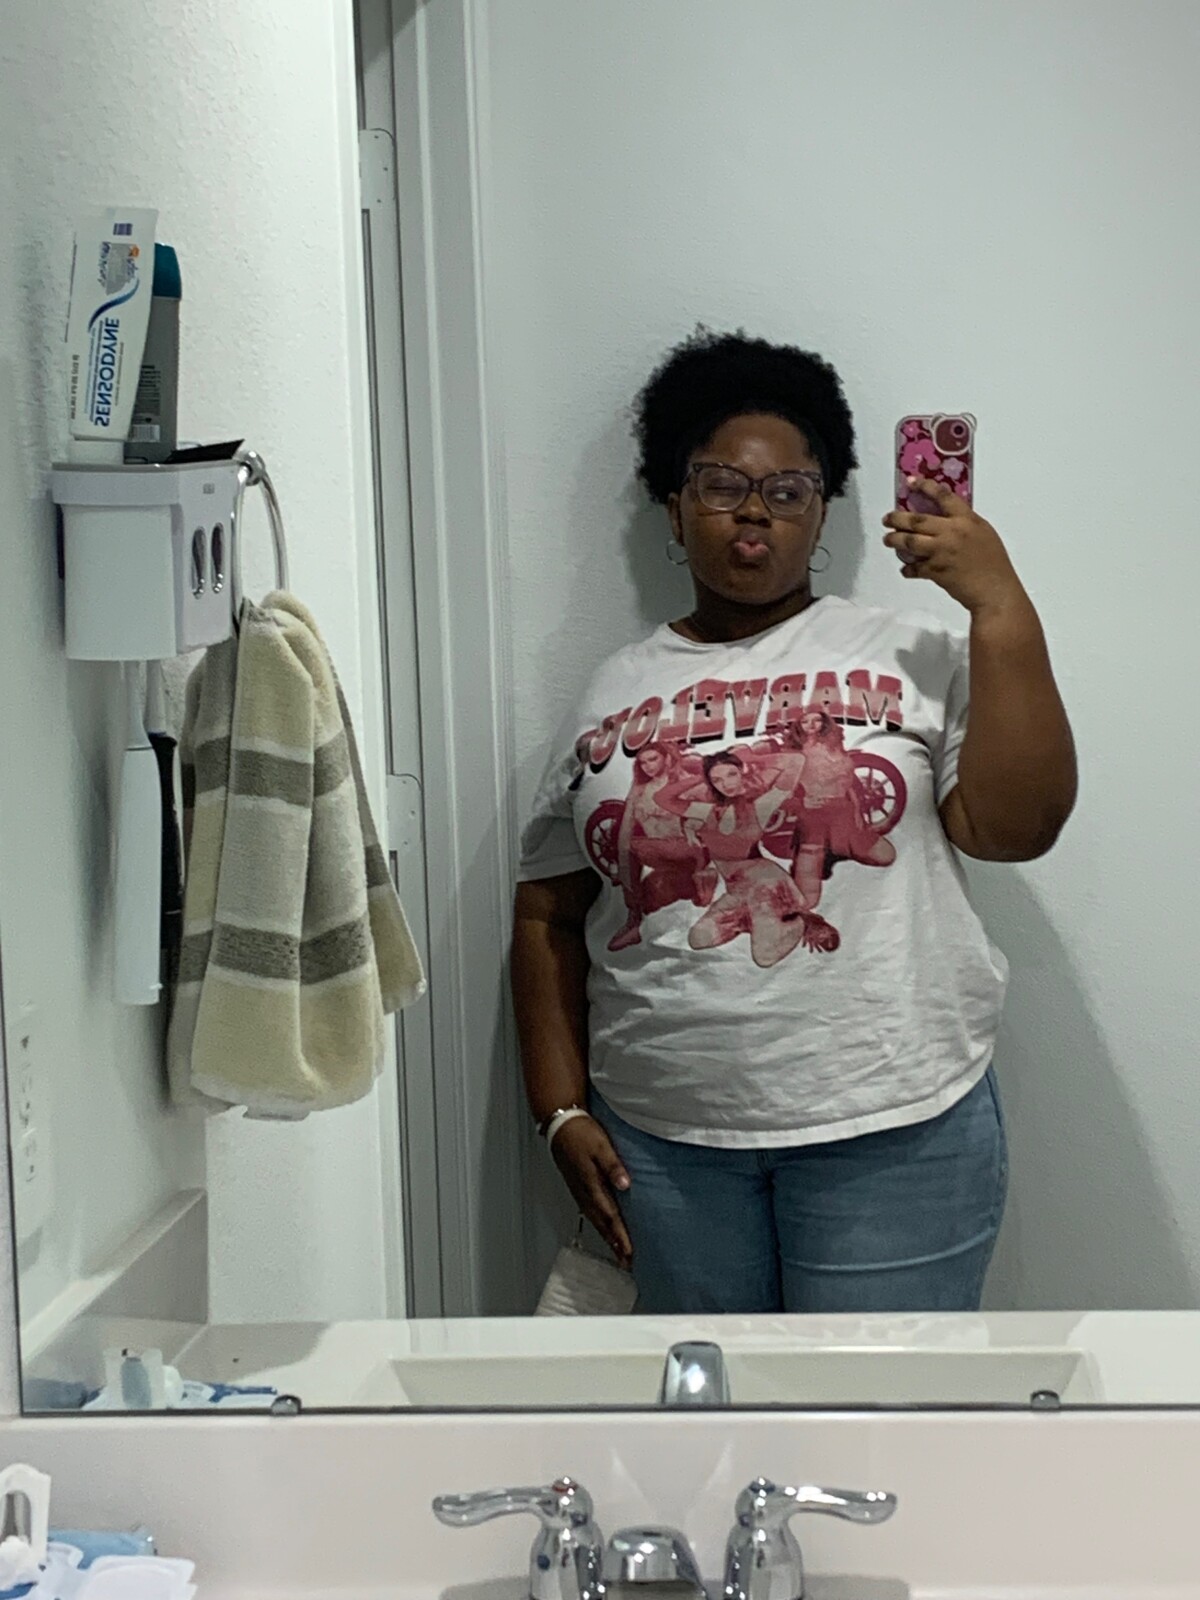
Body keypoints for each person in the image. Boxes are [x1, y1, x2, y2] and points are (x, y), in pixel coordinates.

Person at [512, 328, 1076, 1315]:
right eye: (721, 484)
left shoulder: (911, 651)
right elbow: (547, 914)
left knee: (882, 1408)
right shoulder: (611, 689)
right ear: (673, 503)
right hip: (665, 1147)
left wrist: (998, 604)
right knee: (711, 1408)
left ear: (822, 511)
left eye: (787, 490)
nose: (753, 513)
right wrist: (558, 1110)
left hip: (894, 1134)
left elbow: (1015, 829)